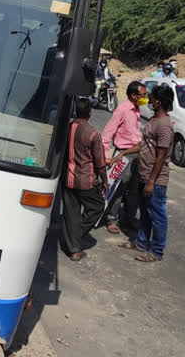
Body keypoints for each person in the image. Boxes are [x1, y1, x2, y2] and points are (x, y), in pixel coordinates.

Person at [112, 84, 175, 262]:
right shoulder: (154, 120)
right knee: (146, 213)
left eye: (152, 97)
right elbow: (144, 145)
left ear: (159, 102)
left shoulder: (164, 125)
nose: (149, 100)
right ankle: (140, 241)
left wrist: (151, 181)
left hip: (154, 179)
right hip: (144, 175)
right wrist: (124, 152)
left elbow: (161, 156)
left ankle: (156, 251)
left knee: (157, 215)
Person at [61, 97, 108, 261]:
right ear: (90, 112)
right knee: (97, 207)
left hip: (67, 179)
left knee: (71, 212)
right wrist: (105, 181)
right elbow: (100, 162)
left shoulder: (67, 128)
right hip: (86, 180)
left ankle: (73, 245)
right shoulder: (93, 133)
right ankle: (74, 236)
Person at [101, 81, 147, 234]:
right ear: (133, 95)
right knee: (119, 189)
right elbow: (106, 134)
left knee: (134, 189)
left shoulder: (137, 110)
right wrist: (107, 156)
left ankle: (129, 217)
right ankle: (112, 219)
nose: (145, 98)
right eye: (143, 95)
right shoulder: (122, 110)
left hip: (136, 154)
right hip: (123, 154)